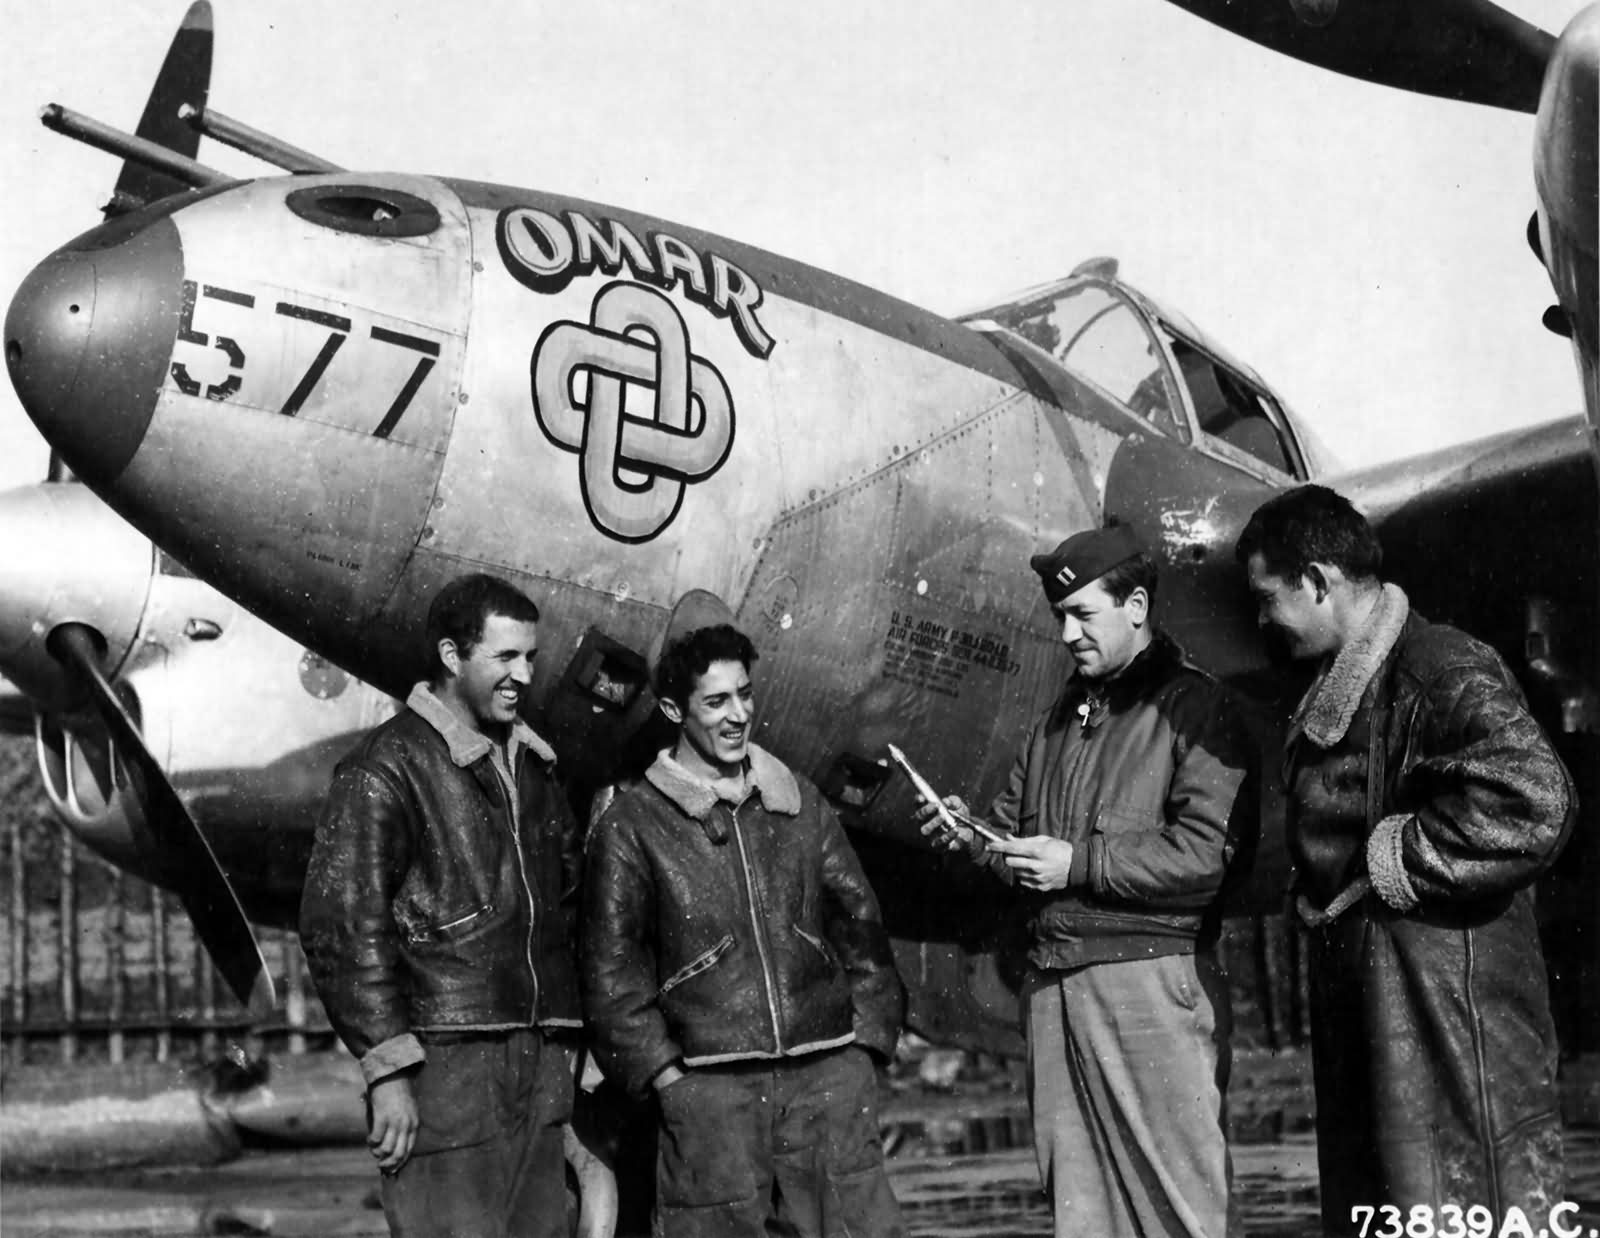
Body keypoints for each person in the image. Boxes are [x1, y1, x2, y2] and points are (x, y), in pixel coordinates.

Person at [1235, 484, 1575, 1233]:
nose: (1261, 621)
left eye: (1268, 598)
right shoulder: (1341, 685)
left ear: (1319, 581)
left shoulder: (1440, 668)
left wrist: (1397, 857)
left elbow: (1537, 801)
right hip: (1393, 1018)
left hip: (1452, 1027)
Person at [921, 525, 1254, 1238]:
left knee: (1178, 1208)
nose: (1067, 634)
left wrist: (1079, 864)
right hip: (1053, 989)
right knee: (1080, 1214)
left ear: (1136, 605)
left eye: (1083, 614)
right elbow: (1012, 832)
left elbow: (1207, 855)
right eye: (1059, 617)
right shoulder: (1058, 720)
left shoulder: (1195, 708)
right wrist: (971, 836)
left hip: (1149, 985)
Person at [581, 595, 906, 1238]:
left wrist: (864, 1046)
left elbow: (859, 924)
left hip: (825, 1082)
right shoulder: (633, 824)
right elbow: (611, 974)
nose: (738, 716)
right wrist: (669, 1081)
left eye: (745, 695)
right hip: (712, 1100)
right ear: (674, 710)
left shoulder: (799, 802)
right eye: (716, 702)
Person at [300, 573, 583, 1238]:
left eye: (530, 658)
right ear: (453, 657)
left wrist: (571, 1042)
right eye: (504, 658)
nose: (522, 675)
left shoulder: (537, 773)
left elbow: (569, 913)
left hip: (537, 1066)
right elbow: (343, 926)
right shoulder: (385, 768)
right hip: (444, 1068)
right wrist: (388, 1066)